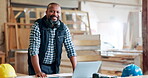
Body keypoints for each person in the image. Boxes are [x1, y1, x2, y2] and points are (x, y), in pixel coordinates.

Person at [28, 3, 77, 77]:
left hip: (54, 67)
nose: (55, 14)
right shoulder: (38, 25)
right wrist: (38, 71)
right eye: (52, 11)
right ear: (46, 12)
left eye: (57, 12)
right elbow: (33, 50)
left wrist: (76, 70)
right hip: (38, 65)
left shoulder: (63, 28)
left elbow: (71, 49)